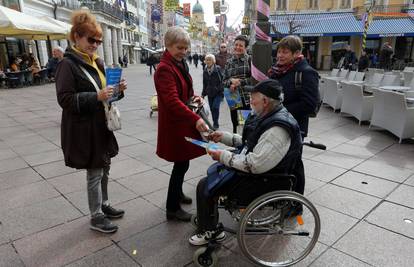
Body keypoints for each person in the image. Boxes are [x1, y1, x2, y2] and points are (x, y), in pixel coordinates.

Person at [189, 79, 302, 246]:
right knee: (208, 181)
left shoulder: (277, 129)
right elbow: (249, 142)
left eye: (253, 98)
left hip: (263, 179)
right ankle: (208, 220)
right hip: (258, 171)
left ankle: (211, 231)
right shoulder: (267, 115)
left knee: (206, 186)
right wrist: (224, 137)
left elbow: (255, 164)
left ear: (265, 101)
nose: (250, 101)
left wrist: (223, 156)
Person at [55, 9, 127, 233]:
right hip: (84, 128)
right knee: (95, 172)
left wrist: (117, 91)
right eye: (91, 39)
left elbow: (106, 93)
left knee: (105, 167)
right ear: (76, 36)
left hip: (101, 124)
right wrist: (96, 96)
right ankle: (96, 215)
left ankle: (104, 204)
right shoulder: (67, 64)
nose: (95, 44)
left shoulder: (97, 61)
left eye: (98, 40)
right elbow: (64, 99)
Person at [154, 26, 209, 222]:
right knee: (180, 163)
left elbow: (184, 93)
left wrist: (195, 97)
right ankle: (172, 208)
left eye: (186, 48)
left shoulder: (179, 63)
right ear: (167, 45)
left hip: (182, 121)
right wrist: (196, 118)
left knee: (183, 163)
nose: (184, 52)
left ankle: (177, 194)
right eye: (180, 47)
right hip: (175, 124)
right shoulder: (164, 69)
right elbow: (172, 101)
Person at [268, 35, 319, 195]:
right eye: (279, 52)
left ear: (297, 53)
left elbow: (309, 104)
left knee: (294, 164)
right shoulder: (276, 71)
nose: (280, 56)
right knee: (279, 162)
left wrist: (279, 110)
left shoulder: (306, 72)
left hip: (294, 127)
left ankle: (296, 201)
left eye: (285, 52)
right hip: (276, 124)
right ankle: (280, 195)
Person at [223, 35, 251, 133]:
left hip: (246, 98)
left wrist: (241, 82)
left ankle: (244, 146)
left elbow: (255, 79)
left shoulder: (250, 60)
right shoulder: (229, 62)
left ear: (245, 47)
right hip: (233, 97)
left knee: (244, 125)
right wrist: (230, 83)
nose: (238, 47)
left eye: (241, 45)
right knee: (235, 123)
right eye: (236, 45)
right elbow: (224, 81)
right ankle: (236, 146)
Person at [202, 54, 223, 129]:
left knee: (215, 107)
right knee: (211, 109)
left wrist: (219, 89)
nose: (208, 61)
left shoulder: (217, 69)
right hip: (210, 93)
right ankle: (215, 122)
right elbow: (204, 83)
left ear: (213, 61)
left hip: (218, 93)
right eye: (207, 60)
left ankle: (216, 123)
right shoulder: (205, 70)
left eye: (210, 60)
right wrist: (203, 94)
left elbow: (222, 80)